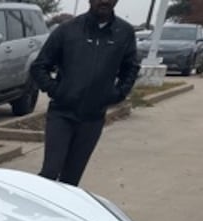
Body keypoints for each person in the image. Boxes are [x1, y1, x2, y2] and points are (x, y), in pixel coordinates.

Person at [30, 0, 140, 186]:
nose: (104, 1)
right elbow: (39, 66)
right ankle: (39, 211)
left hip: (93, 118)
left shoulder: (125, 33)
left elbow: (130, 68)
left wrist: (117, 94)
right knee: (50, 172)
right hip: (62, 114)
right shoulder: (68, 30)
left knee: (71, 180)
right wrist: (57, 91)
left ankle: (63, 214)